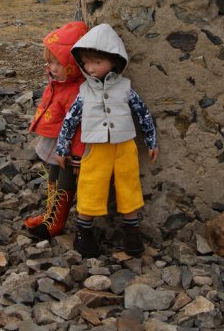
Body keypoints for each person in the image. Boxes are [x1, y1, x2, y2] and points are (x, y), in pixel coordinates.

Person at [55, 23, 158, 257]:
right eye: (86, 62)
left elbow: (143, 114)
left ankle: (131, 232)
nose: (90, 68)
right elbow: (70, 120)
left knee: (129, 186)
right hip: (96, 148)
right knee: (91, 186)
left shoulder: (125, 89)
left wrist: (151, 141)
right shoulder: (84, 92)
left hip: (125, 146)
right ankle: (84, 233)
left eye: (97, 62)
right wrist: (62, 147)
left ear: (115, 60)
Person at [24, 21, 88, 240]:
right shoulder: (61, 81)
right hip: (56, 141)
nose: (50, 67)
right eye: (48, 62)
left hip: (69, 148)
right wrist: (54, 71)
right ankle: (50, 214)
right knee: (52, 175)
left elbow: (80, 126)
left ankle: (56, 222)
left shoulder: (76, 91)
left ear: (73, 64)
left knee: (65, 179)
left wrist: (77, 153)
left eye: (56, 63)